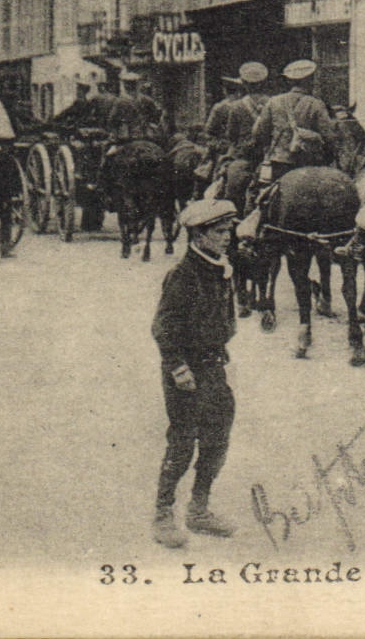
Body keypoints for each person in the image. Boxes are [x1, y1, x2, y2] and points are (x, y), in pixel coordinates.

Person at [150, 198, 240, 549]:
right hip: (186, 370)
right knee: (183, 441)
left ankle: (199, 510)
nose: (227, 237)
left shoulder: (219, 267)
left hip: (215, 365)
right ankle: (162, 513)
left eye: (228, 231)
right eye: (219, 232)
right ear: (198, 235)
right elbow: (163, 327)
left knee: (218, 437)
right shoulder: (183, 275)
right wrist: (177, 367)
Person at [248, 59, 335, 185]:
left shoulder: (273, 102)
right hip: (308, 162)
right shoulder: (316, 104)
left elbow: (260, 133)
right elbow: (329, 137)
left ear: (289, 81)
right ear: (310, 81)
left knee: (267, 196)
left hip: (279, 161)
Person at [118, 73, 167, 140]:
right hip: (138, 133)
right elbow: (156, 116)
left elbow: (156, 114)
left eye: (130, 83)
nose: (128, 86)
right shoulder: (145, 99)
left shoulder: (120, 100)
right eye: (127, 83)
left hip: (134, 133)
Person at [203, 75, 245, 153]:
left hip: (225, 148)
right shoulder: (244, 105)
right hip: (243, 147)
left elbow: (209, 130)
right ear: (239, 91)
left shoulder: (219, 107)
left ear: (224, 91)